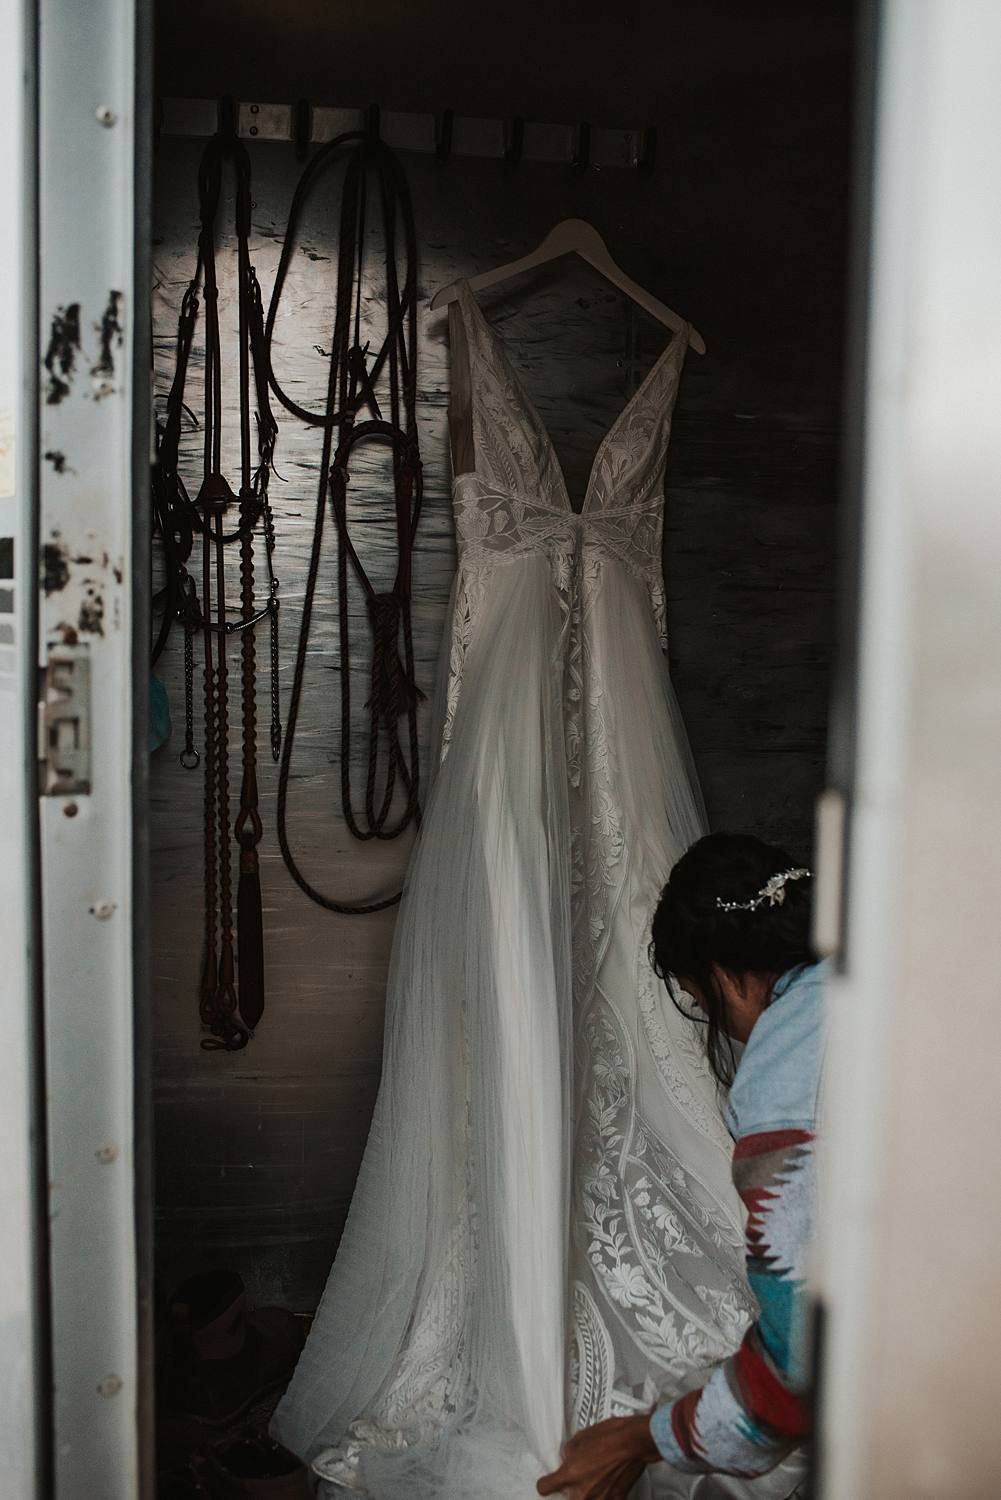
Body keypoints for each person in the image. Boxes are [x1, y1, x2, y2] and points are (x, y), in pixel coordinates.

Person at [538, 832, 827, 1499]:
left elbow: (798, 1365)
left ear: (723, 977)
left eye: (701, 1003)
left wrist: (642, 1438)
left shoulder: (782, 1084)